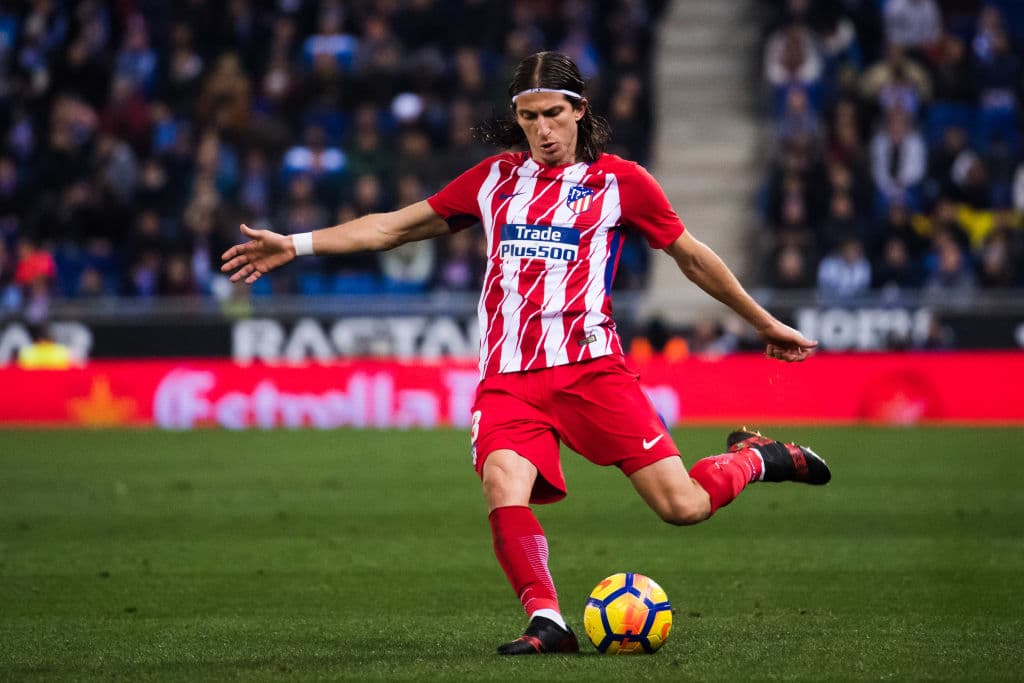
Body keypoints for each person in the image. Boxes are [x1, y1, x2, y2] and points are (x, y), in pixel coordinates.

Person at [222, 51, 831, 655]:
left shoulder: (622, 183)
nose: (542, 129)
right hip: (508, 377)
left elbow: (692, 257)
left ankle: (755, 458)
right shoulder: (493, 180)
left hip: (592, 371)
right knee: (502, 481)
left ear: (579, 111)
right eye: (529, 116)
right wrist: (296, 245)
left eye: (553, 114)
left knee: (682, 506)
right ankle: (547, 619)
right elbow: (392, 227)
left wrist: (765, 323)